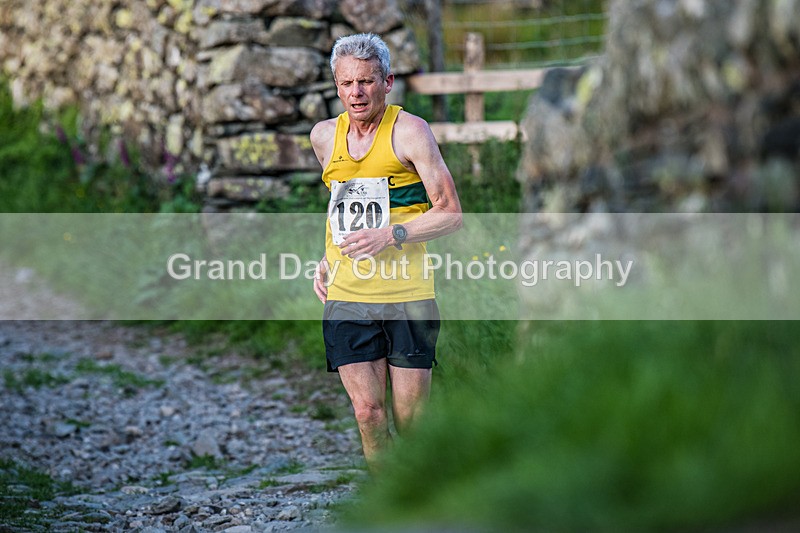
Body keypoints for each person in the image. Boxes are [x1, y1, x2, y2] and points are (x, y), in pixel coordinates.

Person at [309, 33, 462, 469]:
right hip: (348, 297)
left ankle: (421, 502)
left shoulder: (410, 131)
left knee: (411, 423)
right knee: (368, 414)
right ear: (336, 86)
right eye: (346, 83)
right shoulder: (324, 137)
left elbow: (450, 213)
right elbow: (345, 205)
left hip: (407, 295)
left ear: (387, 81)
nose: (356, 93)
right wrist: (329, 255)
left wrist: (391, 235)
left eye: (366, 81)